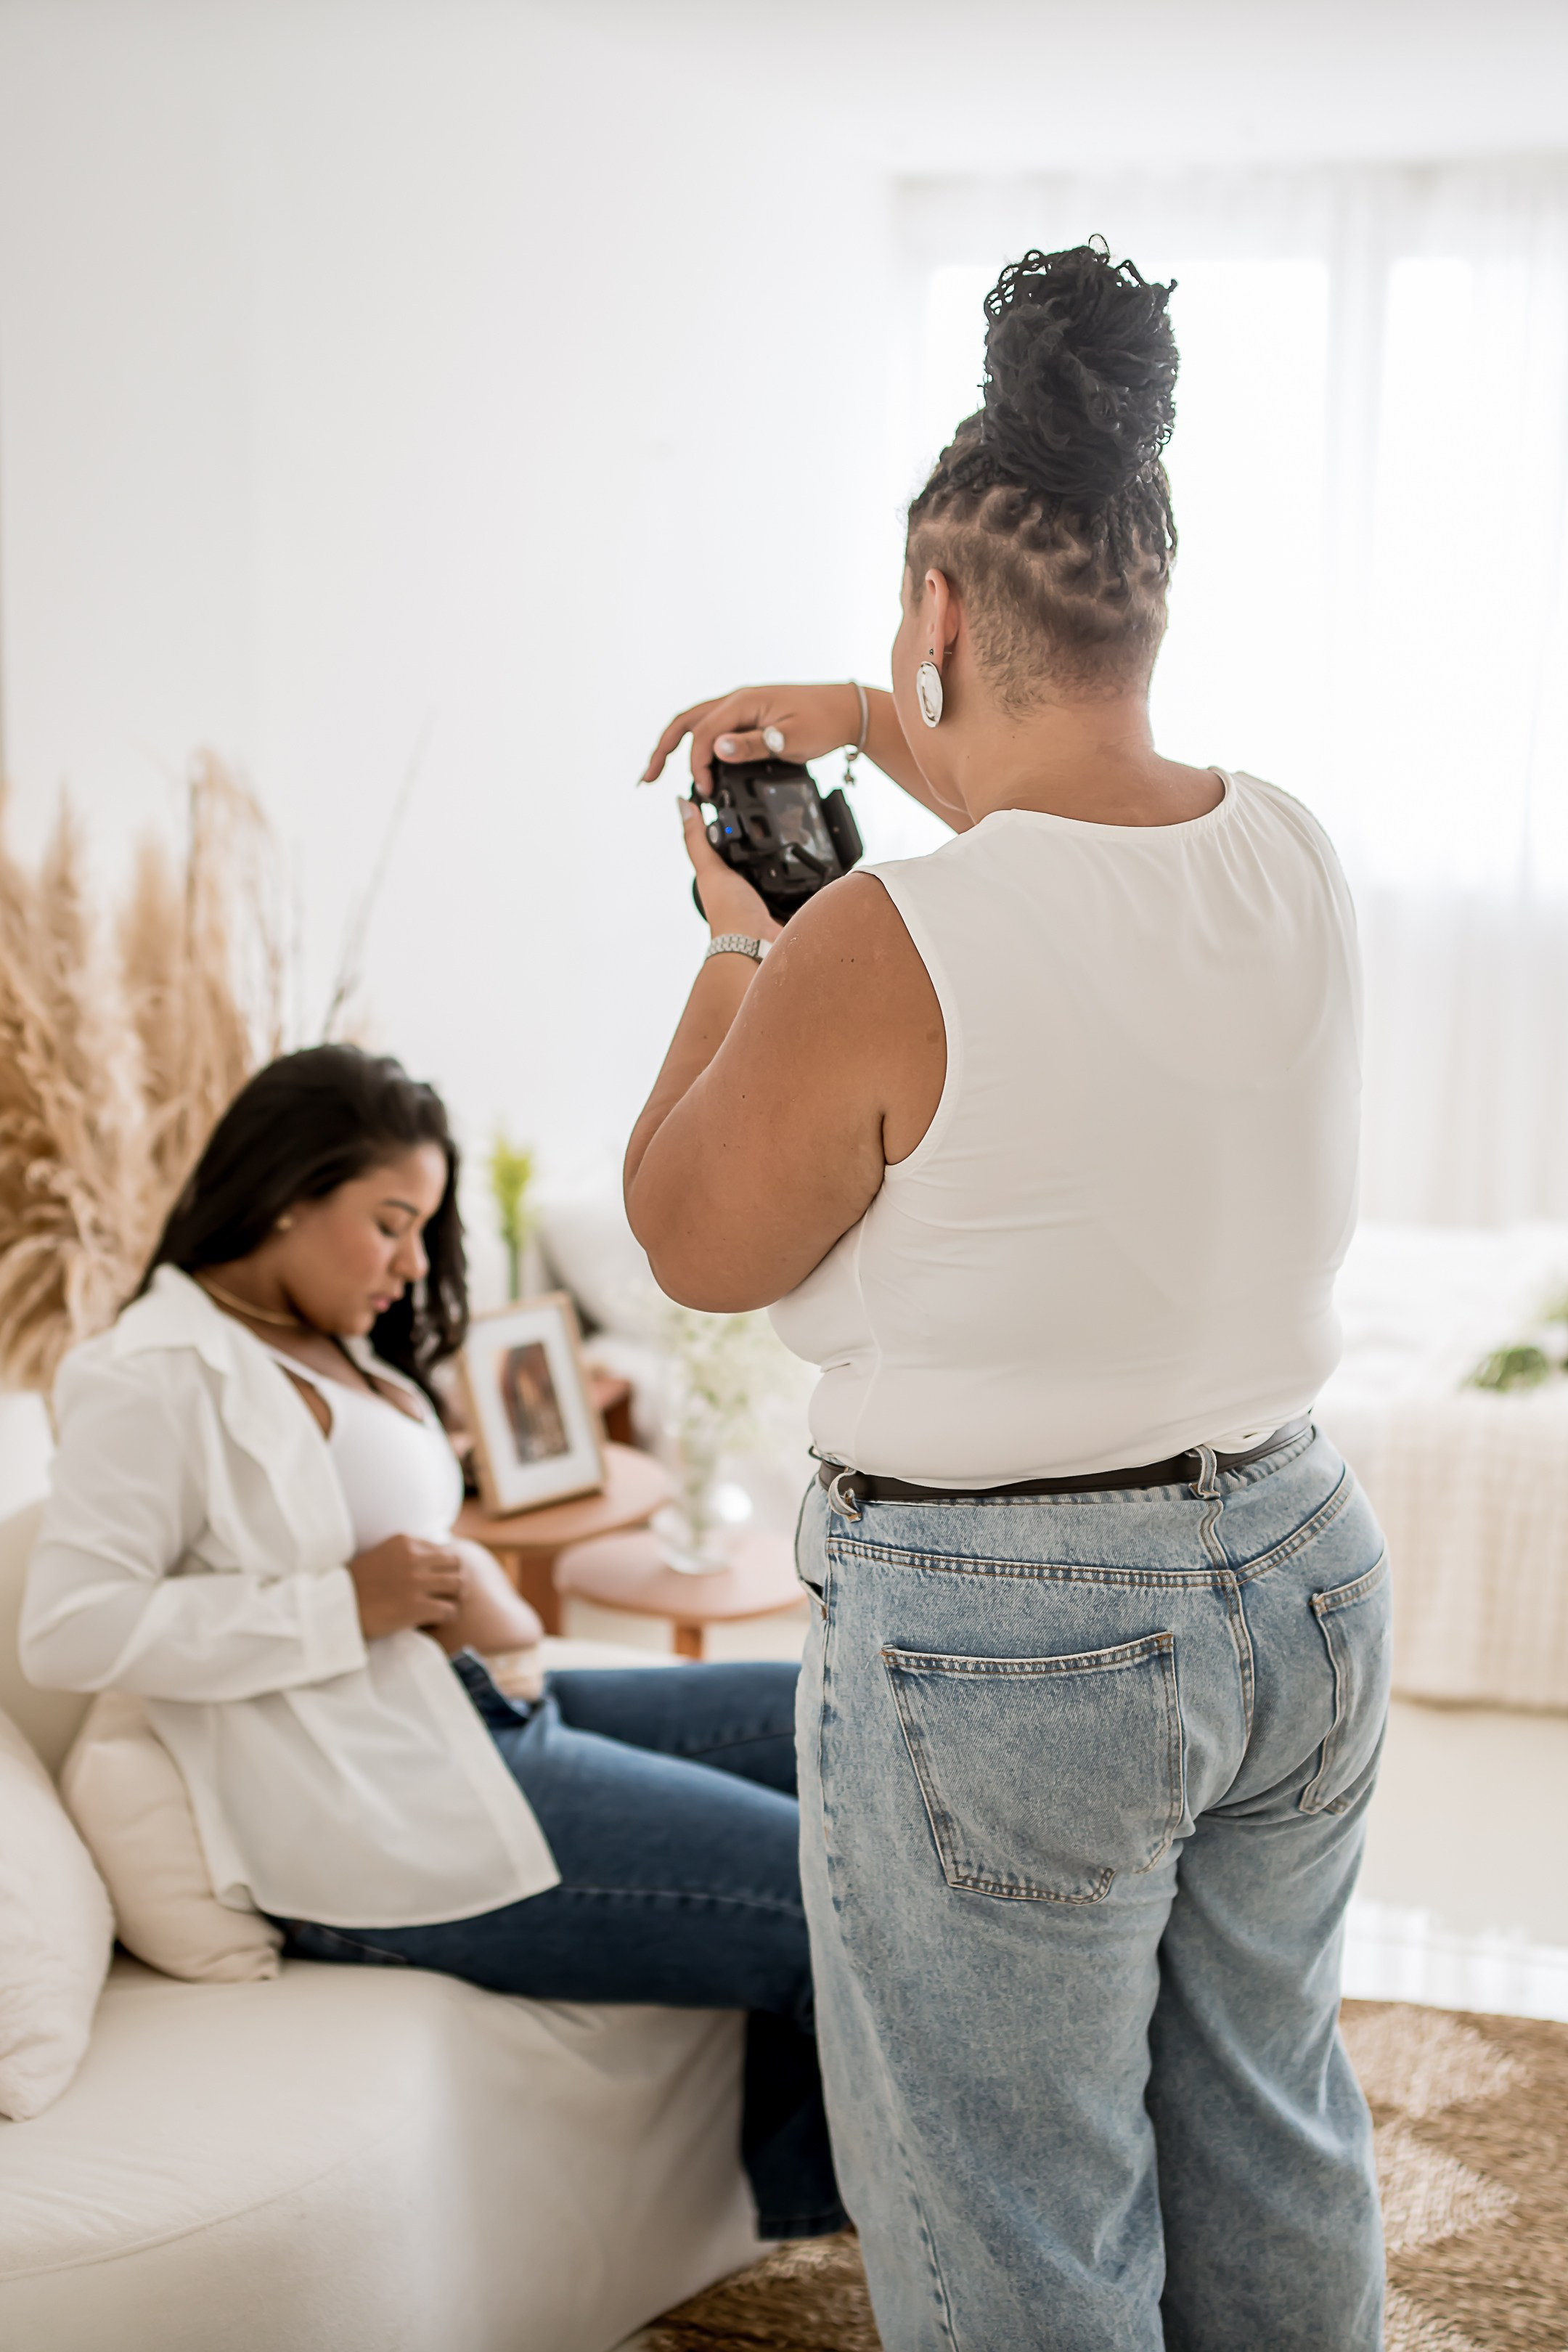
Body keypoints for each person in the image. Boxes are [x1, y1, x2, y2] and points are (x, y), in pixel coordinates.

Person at [627, 243, 1388, 2348]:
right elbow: (1060, 827)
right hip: (1302, 1572)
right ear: (1151, 600)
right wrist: (879, 720)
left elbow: (696, 1240)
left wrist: (739, 943)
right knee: (1271, 2129)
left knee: (1017, 2227)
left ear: (945, 615)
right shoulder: (1293, 848)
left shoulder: (870, 937)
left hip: (1010, 1643)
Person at [23, 1043, 844, 2243]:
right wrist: (340, 1604)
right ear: (287, 1194)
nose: (413, 1267)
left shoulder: (331, 1346)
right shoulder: (148, 1375)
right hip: (369, 1809)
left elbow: (403, 1556)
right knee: (831, 1891)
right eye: (390, 1224)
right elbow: (69, 1629)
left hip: (476, 1710)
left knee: (839, 1706)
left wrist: (469, 1610)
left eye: (426, 1230)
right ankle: (851, 2239)